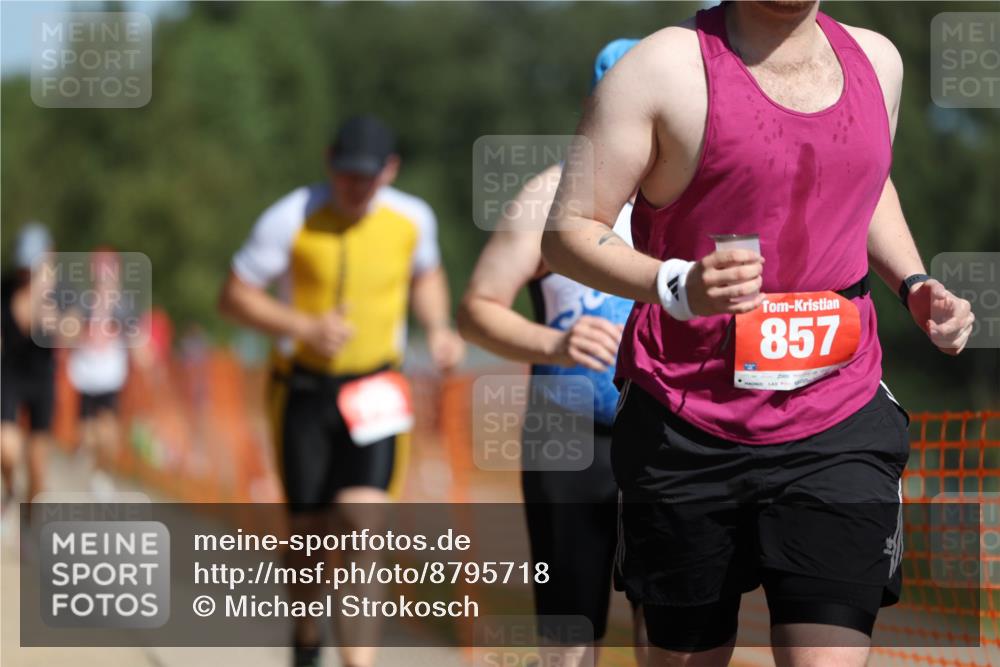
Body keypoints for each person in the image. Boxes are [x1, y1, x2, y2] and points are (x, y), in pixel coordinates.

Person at [541, 2, 975, 667]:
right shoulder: (659, 69)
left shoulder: (877, 62)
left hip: (839, 414)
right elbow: (569, 232)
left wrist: (913, 282)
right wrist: (678, 285)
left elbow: (867, 177)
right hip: (685, 425)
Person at [218, 113, 464, 667]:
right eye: (347, 175)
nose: (355, 188)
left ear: (390, 171)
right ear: (329, 162)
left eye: (368, 177)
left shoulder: (411, 219)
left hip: (376, 391)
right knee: (307, 538)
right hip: (302, 393)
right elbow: (233, 297)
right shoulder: (290, 218)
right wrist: (303, 327)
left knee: (362, 530)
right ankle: (307, 637)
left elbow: (427, 274)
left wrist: (439, 327)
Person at [458, 39, 644, 667]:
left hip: (672, 431)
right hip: (569, 432)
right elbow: (477, 306)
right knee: (569, 633)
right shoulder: (547, 196)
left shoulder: (692, 198)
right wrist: (554, 342)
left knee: (673, 632)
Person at [64, 248, 132, 497]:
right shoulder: (84, 302)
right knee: (88, 434)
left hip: (111, 376)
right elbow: (69, 330)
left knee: (109, 435)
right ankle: (85, 454)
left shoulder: (124, 306)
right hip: (86, 375)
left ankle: (101, 475)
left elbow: (136, 335)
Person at [1, 224, 57, 515]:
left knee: (37, 468)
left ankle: (31, 520)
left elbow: (67, 330)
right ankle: (9, 490)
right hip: (9, 376)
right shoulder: (6, 288)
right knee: (6, 448)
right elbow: (20, 322)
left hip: (41, 382)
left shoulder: (61, 291)